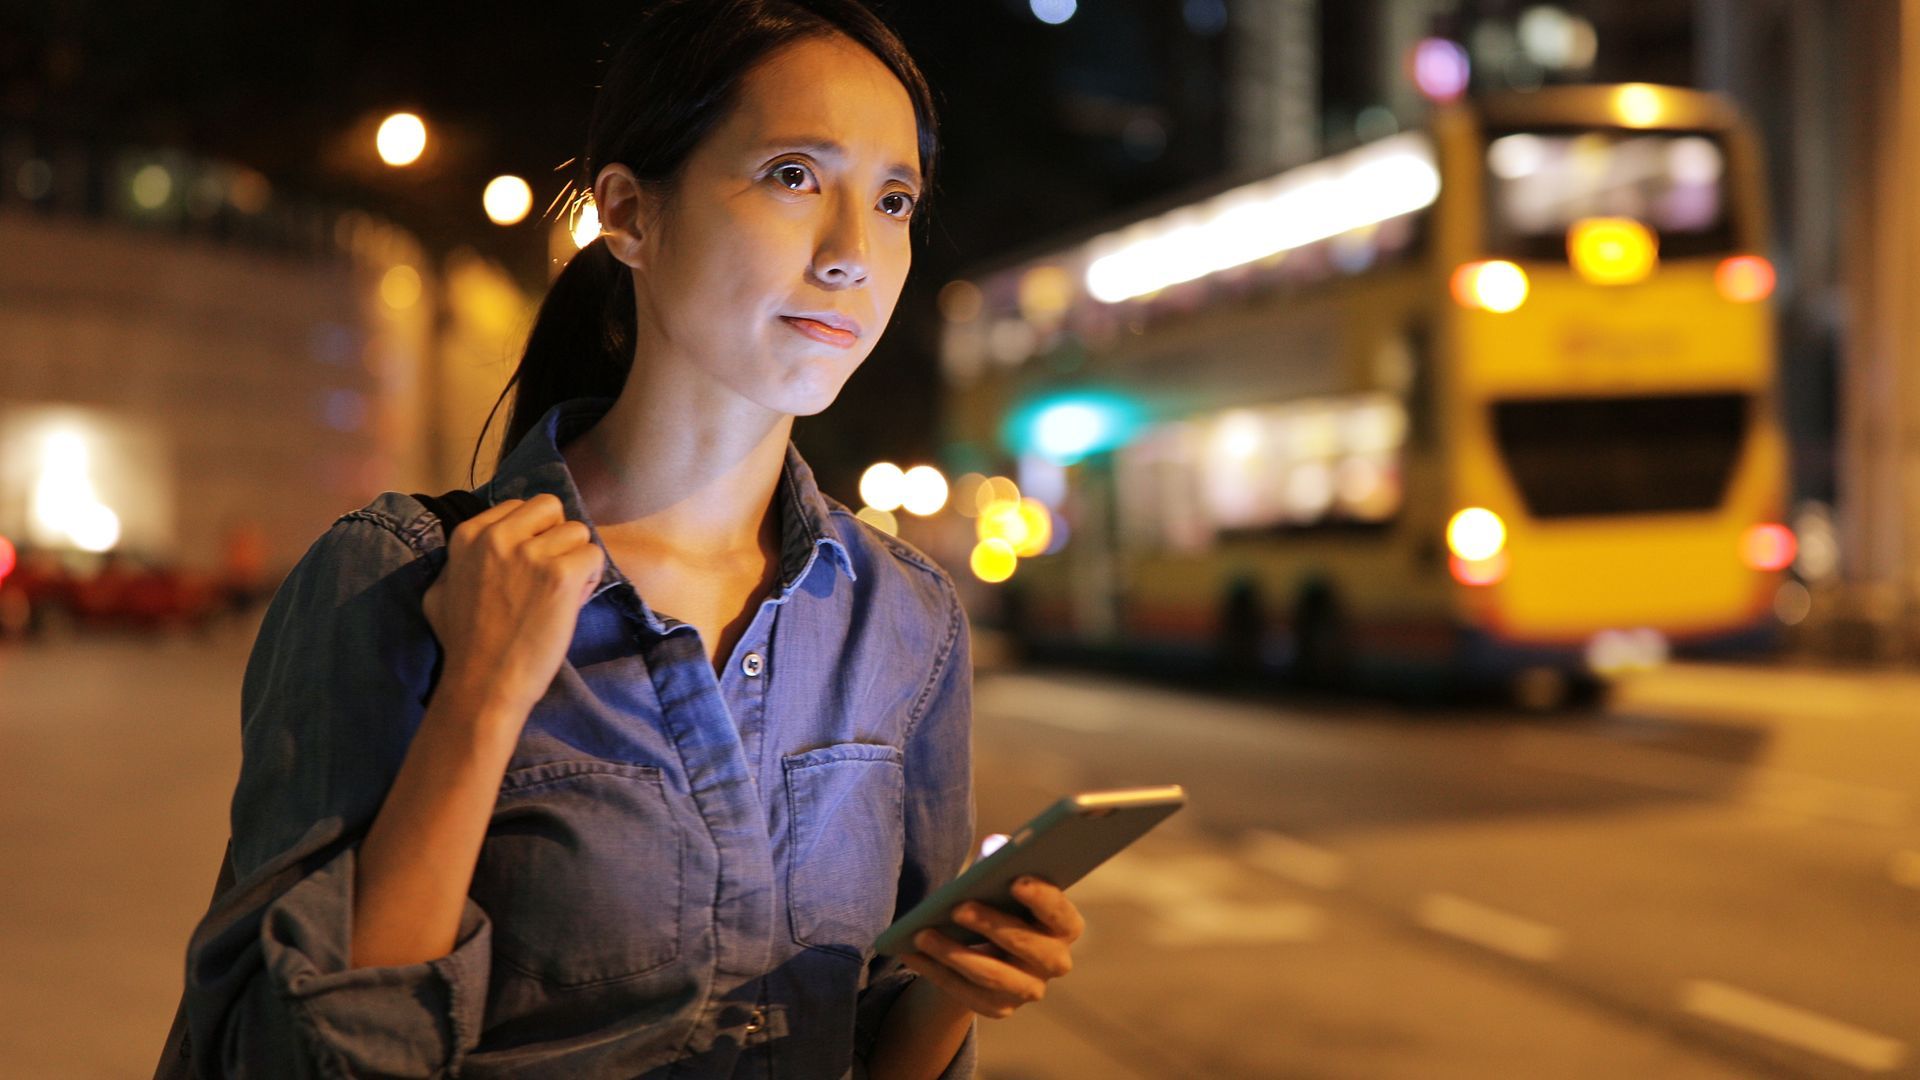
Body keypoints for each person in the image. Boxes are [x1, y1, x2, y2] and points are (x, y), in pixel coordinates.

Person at [173, 0, 1086, 1076]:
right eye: (795, 176)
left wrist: (954, 985)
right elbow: (283, 1054)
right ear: (628, 212)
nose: (853, 255)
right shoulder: (399, 575)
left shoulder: (905, 618)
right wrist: (481, 695)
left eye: (892, 201)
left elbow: (884, 1039)